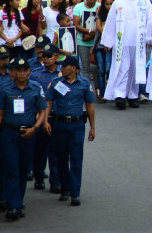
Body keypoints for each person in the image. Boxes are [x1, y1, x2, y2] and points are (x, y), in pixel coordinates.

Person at [0, 57, 48, 221]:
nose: (21, 73)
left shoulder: (36, 88)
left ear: (29, 72)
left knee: (23, 169)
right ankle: (13, 206)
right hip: (9, 133)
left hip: (28, 133)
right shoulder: (5, 89)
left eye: (24, 70)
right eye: (18, 70)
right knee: (11, 168)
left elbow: (42, 111)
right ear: (13, 72)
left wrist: (35, 128)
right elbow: (0, 114)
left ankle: (17, 201)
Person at [100, 0, 152, 110]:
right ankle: (120, 95)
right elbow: (111, 22)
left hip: (139, 41)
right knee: (122, 68)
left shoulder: (144, 2)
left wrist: (150, 37)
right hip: (122, 41)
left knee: (135, 68)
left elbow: (151, 21)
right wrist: (108, 41)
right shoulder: (118, 2)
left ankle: (132, 95)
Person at [44, 55, 96, 207]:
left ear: (73, 68)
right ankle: (64, 189)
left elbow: (90, 106)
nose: (61, 68)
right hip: (59, 124)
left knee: (76, 160)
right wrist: (46, 120)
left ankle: (75, 193)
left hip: (77, 125)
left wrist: (92, 127)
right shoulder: (56, 83)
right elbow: (48, 102)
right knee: (61, 159)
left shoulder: (84, 84)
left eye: (64, 66)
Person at [30, 44, 61, 192]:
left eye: (49, 56)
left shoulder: (63, 74)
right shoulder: (35, 74)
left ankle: (55, 181)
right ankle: (39, 176)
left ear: (57, 57)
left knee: (55, 150)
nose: (45, 58)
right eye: (44, 56)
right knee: (39, 150)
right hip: (40, 116)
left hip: (57, 115)